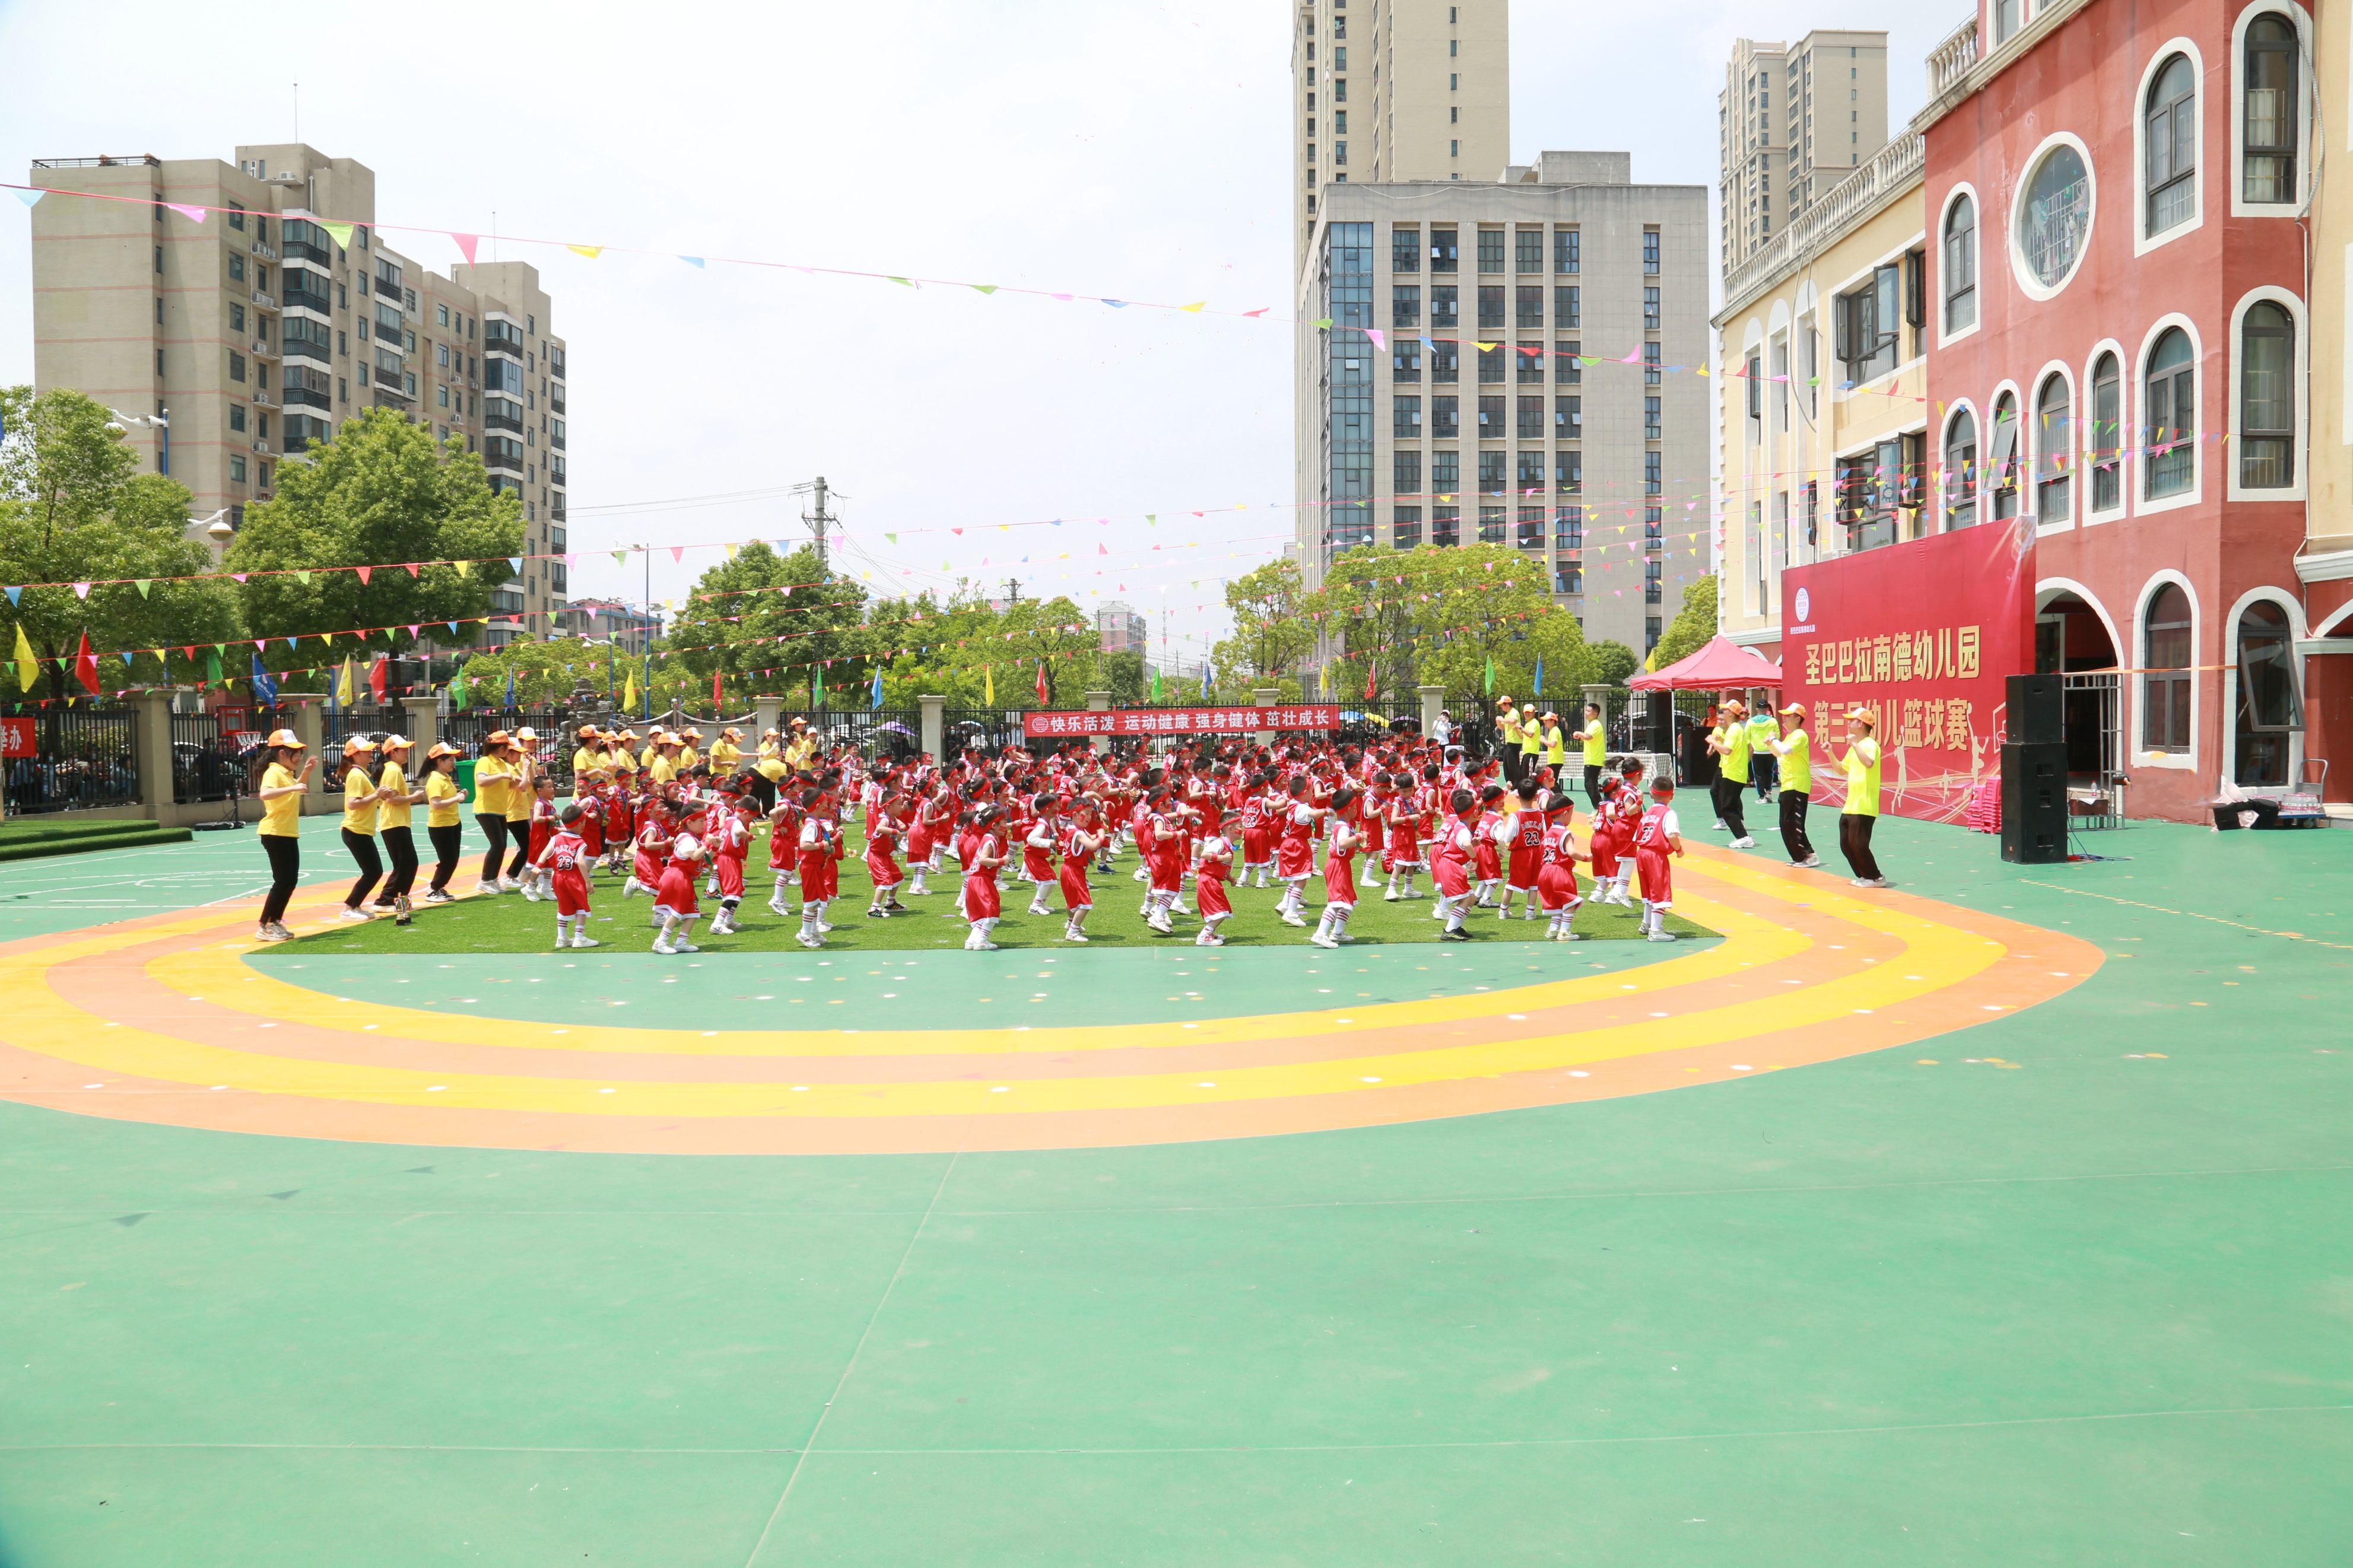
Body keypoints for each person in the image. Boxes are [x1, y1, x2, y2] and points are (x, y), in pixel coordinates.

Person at [250, 729, 316, 942]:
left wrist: (305, 772)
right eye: (295, 754)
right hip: (275, 832)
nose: (298, 758)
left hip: (287, 832)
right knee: (283, 880)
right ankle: (266, 924)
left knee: (290, 880)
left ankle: (275, 921)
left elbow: (300, 788)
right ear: (281, 753)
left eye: (299, 755)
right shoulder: (273, 772)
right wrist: (294, 787)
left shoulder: (285, 773)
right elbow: (265, 794)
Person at [369, 734, 425, 917]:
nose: (407, 753)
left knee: (406, 863)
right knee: (406, 863)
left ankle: (399, 899)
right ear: (393, 753)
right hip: (394, 823)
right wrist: (412, 798)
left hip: (397, 822)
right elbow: (391, 799)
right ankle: (385, 899)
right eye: (404, 750)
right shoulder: (393, 771)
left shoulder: (393, 769)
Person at [1834, 707, 1890, 888]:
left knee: (1859, 844)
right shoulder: (1854, 749)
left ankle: (1875, 877)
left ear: (1861, 724)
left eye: (1852, 720)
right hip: (1851, 804)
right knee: (1846, 844)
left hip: (1865, 804)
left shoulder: (1870, 745)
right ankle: (1865, 876)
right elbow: (1842, 770)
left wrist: (1855, 745)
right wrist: (1829, 753)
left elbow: (1869, 762)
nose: (1849, 723)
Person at [533, 804, 601, 950]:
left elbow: (545, 852)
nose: (584, 825)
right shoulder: (580, 842)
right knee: (581, 907)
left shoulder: (556, 838)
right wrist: (588, 882)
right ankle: (579, 938)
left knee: (563, 908)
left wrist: (538, 865)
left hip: (558, 879)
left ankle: (562, 938)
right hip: (574, 879)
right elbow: (581, 862)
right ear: (580, 825)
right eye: (583, 822)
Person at [1766, 702, 1821, 869]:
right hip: (1789, 785)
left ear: (1798, 718)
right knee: (1787, 822)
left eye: (1789, 715)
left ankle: (1805, 855)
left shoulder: (1800, 735)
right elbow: (1778, 752)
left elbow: (1786, 750)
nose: (1785, 717)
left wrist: (1774, 739)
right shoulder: (1791, 736)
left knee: (1793, 823)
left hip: (1797, 784)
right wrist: (1770, 743)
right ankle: (1805, 855)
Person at [1631, 776, 1685, 942]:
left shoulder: (1647, 813)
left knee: (1648, 891)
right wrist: (1679, 849)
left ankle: (1647, 924)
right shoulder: (1669, 814)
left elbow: (1636, 836)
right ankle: (1655, 931)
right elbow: (1671, 835)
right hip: (1656, 855)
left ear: (1652, 794)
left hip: (1642, 853)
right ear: (1672, 795)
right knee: (1660, 892)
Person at [336, 736, 384, 921]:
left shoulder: (363, 773)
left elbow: (370, 800)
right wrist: (377, 795)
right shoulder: (356, 775)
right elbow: (353, 804)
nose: (371, 752)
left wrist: (381, 796)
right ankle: (349, 907)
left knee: (373, 871)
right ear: (355, 755)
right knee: (373, 871)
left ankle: (354, 905)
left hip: (361, 830)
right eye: (366, 750)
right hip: (355, 830)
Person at [1310, 788, 1361, 948]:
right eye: (1355, 806)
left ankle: (1338, 932)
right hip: (1337, 866)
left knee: (1348, 901)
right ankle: (1320, 934)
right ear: (1350, 809)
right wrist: (1358, 837)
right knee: (1337, 902)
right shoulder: (1344, 827)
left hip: (1342, 865)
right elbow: (1342, 843)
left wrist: (1358, 844)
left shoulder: (1344, 825)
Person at [1535, 796, 1589, 942]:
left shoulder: (1547, 834)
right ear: (1565, 814)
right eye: (1571, 813)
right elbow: (1571, 852)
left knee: (1557, 902)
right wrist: (1586, 858)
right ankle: (1564, 931)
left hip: (1545, 872)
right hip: (1559, 872)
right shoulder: (1566, 833)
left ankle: (1553, 928)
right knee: (1569, 901)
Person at [1430, 789, 1479, 942]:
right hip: (1451, 866)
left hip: (1450, 865)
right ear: (1473, 813)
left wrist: (1472, 843)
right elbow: (1465, 844)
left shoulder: (1459, 825)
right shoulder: (1464, 830)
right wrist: (1475, 859)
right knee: (1465, 900)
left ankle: (1457, 926)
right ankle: (1450, 930)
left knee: (1471, 897)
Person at [421, 742, 466, 903]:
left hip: (453, 823)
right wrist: (457, 798)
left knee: (452, 859)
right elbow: (436, 804)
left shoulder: (446, 778)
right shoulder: (435, 780)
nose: (453, 762)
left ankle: (439, 887)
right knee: (448, 860)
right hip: (440, 826)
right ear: (439, 761)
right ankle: (433, 889)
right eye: (450, 759)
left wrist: (459, 795)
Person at [471, 731, 515, 894]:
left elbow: (505, 785)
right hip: (486, 809)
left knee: (501, 845)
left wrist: (512, 781)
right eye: (507, 747)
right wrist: (503, 775)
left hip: (500, 810)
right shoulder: (485, 761)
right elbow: (482, 781)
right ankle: (485, 879)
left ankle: (493, 879)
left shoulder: (501, 763)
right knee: (497, 845)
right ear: (502, 748)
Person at [1710, 698, 1755, 848]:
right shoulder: (1734, 729)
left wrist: (1712, 741)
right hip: (1733, 772)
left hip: (1734, 773)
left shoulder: (1735, 729)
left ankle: (1743, 836)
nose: (1722, 713)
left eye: (1725, 710)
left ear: (1730, 713)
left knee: (1727, 807)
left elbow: (1727, 751)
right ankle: (1743, 835)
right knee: (1729, 805)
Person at [1059, 799, 1106, 942]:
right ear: (1075, 815)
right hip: (1073, 870)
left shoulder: (1074, 828)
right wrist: (1102, 836)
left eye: (1090, 814)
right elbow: (1092, 846)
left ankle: (1070, 922)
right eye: (1086, 814)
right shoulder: (1078, 833)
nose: (1089, 817)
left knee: (1072, 901)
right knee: (1085, 904)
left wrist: (1096, 834)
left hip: (1068, 869)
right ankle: (1073, 932)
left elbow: (1088, 838)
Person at [961, 804, 1006, 950]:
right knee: (992, 908)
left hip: (974, 880)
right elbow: (983, 859)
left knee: (981, 913)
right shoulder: (990, 840)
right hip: (981, 879)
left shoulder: (986, 837)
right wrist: (1001, 862)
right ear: (994, 825)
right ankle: (982, 940)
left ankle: (972, 941)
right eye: (1004, 823)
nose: (1006, 826)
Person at [650, 834, 704, 955]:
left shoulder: (694, 840)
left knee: (693, 913)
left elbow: (703, 858)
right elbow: (695, 856)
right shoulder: (688, 840)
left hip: (685, 878)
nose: (704, 824)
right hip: (678, 877)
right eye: (701, 821)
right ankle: (661, 942)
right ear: (690, 822)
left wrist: (714, 847)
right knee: (676, 912)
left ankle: (681, 942)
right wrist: (708, 844)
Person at [1192, 820, 1234, 947]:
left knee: (1223, 909)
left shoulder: (1229, 847)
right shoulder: (1219, 843)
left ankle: (1209, 932)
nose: (1243, 830)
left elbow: (1222, 868)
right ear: (1230, 829)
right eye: (1240, 826)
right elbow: (1204, 854)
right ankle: (1205, 934)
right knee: (1220, 910)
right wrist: (1222, 858)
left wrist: (1231, 879)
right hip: (1208, 880)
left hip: (1214, 881)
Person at [1574, 702, 1608, 809]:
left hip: (1594, 760)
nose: (1586, 713)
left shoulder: (1595, 724)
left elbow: (1588, 737)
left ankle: (1599, 808)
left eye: (1588, 711)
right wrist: (1581, 736)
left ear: (1595, 714)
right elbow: (1588, 738)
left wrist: (1579, 733)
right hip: (1592, 759)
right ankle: (1599, 807)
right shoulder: (1592, 725)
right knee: (1591, 784)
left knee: (1590, 785)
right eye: (1586, 710)